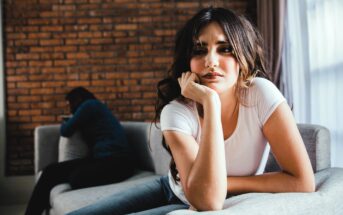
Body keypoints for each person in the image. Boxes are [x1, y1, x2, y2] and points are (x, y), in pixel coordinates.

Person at [66, 7, 315, 215]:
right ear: (188, 62)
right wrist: (210, 103)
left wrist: (223, 184)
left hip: (195, 197)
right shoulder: (176, 111)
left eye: (224, 48)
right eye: (199, 50)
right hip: (175, 190)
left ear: (244, 58)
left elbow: (302, 182)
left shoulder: (261, 93)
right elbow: (203, 197)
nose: (210, 61)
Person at [25, 87, 134, 215]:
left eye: (70, 104)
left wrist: (66, 120)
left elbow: (65, 130)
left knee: (76, 178)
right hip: (101, 159)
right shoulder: (95, 108)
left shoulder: (89, 105)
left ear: (78, 99)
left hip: (118, 162)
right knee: (50, 171)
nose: (70, 108)